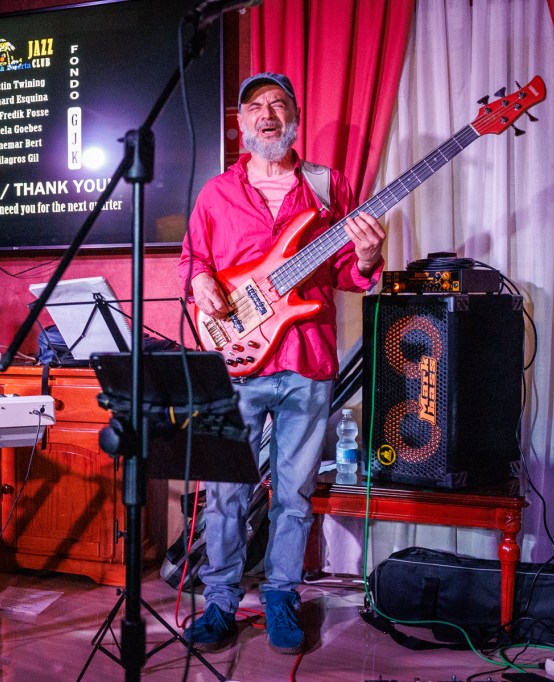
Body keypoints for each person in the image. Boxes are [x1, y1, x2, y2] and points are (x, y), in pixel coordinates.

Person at [178, 73, 386, 654]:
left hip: (306, 359)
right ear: (240, 123)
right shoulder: (217, 193)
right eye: (255, 106)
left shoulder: (326, 185)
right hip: (234, 359)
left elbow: (346, 271)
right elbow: (194, 258)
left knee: (293, 495)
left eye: (278, 104)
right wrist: (200, 282)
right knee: (222, 491)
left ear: (294, 118)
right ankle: (219, 602)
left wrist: (368, 256)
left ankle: (280, 597)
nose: (267, 114)